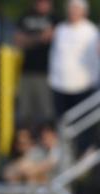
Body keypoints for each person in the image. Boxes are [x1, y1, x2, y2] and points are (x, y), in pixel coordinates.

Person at [48, 0, 100, 153]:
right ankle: (65, 157)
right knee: (62, 125)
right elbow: (55, 55)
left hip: (84, 86)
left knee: (84, 129)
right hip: (60, 85)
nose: (73, 12)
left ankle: (83, 158)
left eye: (77, 9)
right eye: (71, 9)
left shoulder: (91, 31)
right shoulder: (61, 29)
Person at [14, 0, 58, 126]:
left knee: (46, 112)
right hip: (26, 71)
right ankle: (27, 142)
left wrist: (29, 39)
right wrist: (39, 38)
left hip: (47, 74)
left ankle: (45, 143)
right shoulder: (26, 17)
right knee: (25, 112)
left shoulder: (55, 19)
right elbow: (18, 40)